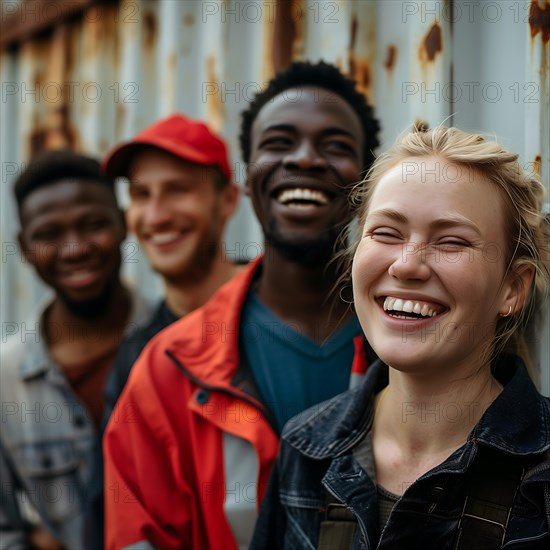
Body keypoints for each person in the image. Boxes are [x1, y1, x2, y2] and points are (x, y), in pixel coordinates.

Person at [103, 60, 380, 550]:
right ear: (248, 177)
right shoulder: (169, 369)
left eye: (335, 146)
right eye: (278, 142)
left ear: (367, 182)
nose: (306, 159)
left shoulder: (414, 345)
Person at [251, 126, 550, 549]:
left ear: (512, 288)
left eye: (452, 241)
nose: (407, 266)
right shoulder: (307, 449)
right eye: (386, 233)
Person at [86, 113, 242, 549]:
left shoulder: (278, 318)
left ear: (227, 200)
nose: (156, 214)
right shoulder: (138, 356)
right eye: (141, 194)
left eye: (178, 190)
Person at [0, 150, 152, 550]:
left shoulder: (176, 345)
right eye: (49, 234)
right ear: (24, 246)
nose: (75, 249)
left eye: (93, 224)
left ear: (123, 224)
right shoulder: (5, 379)